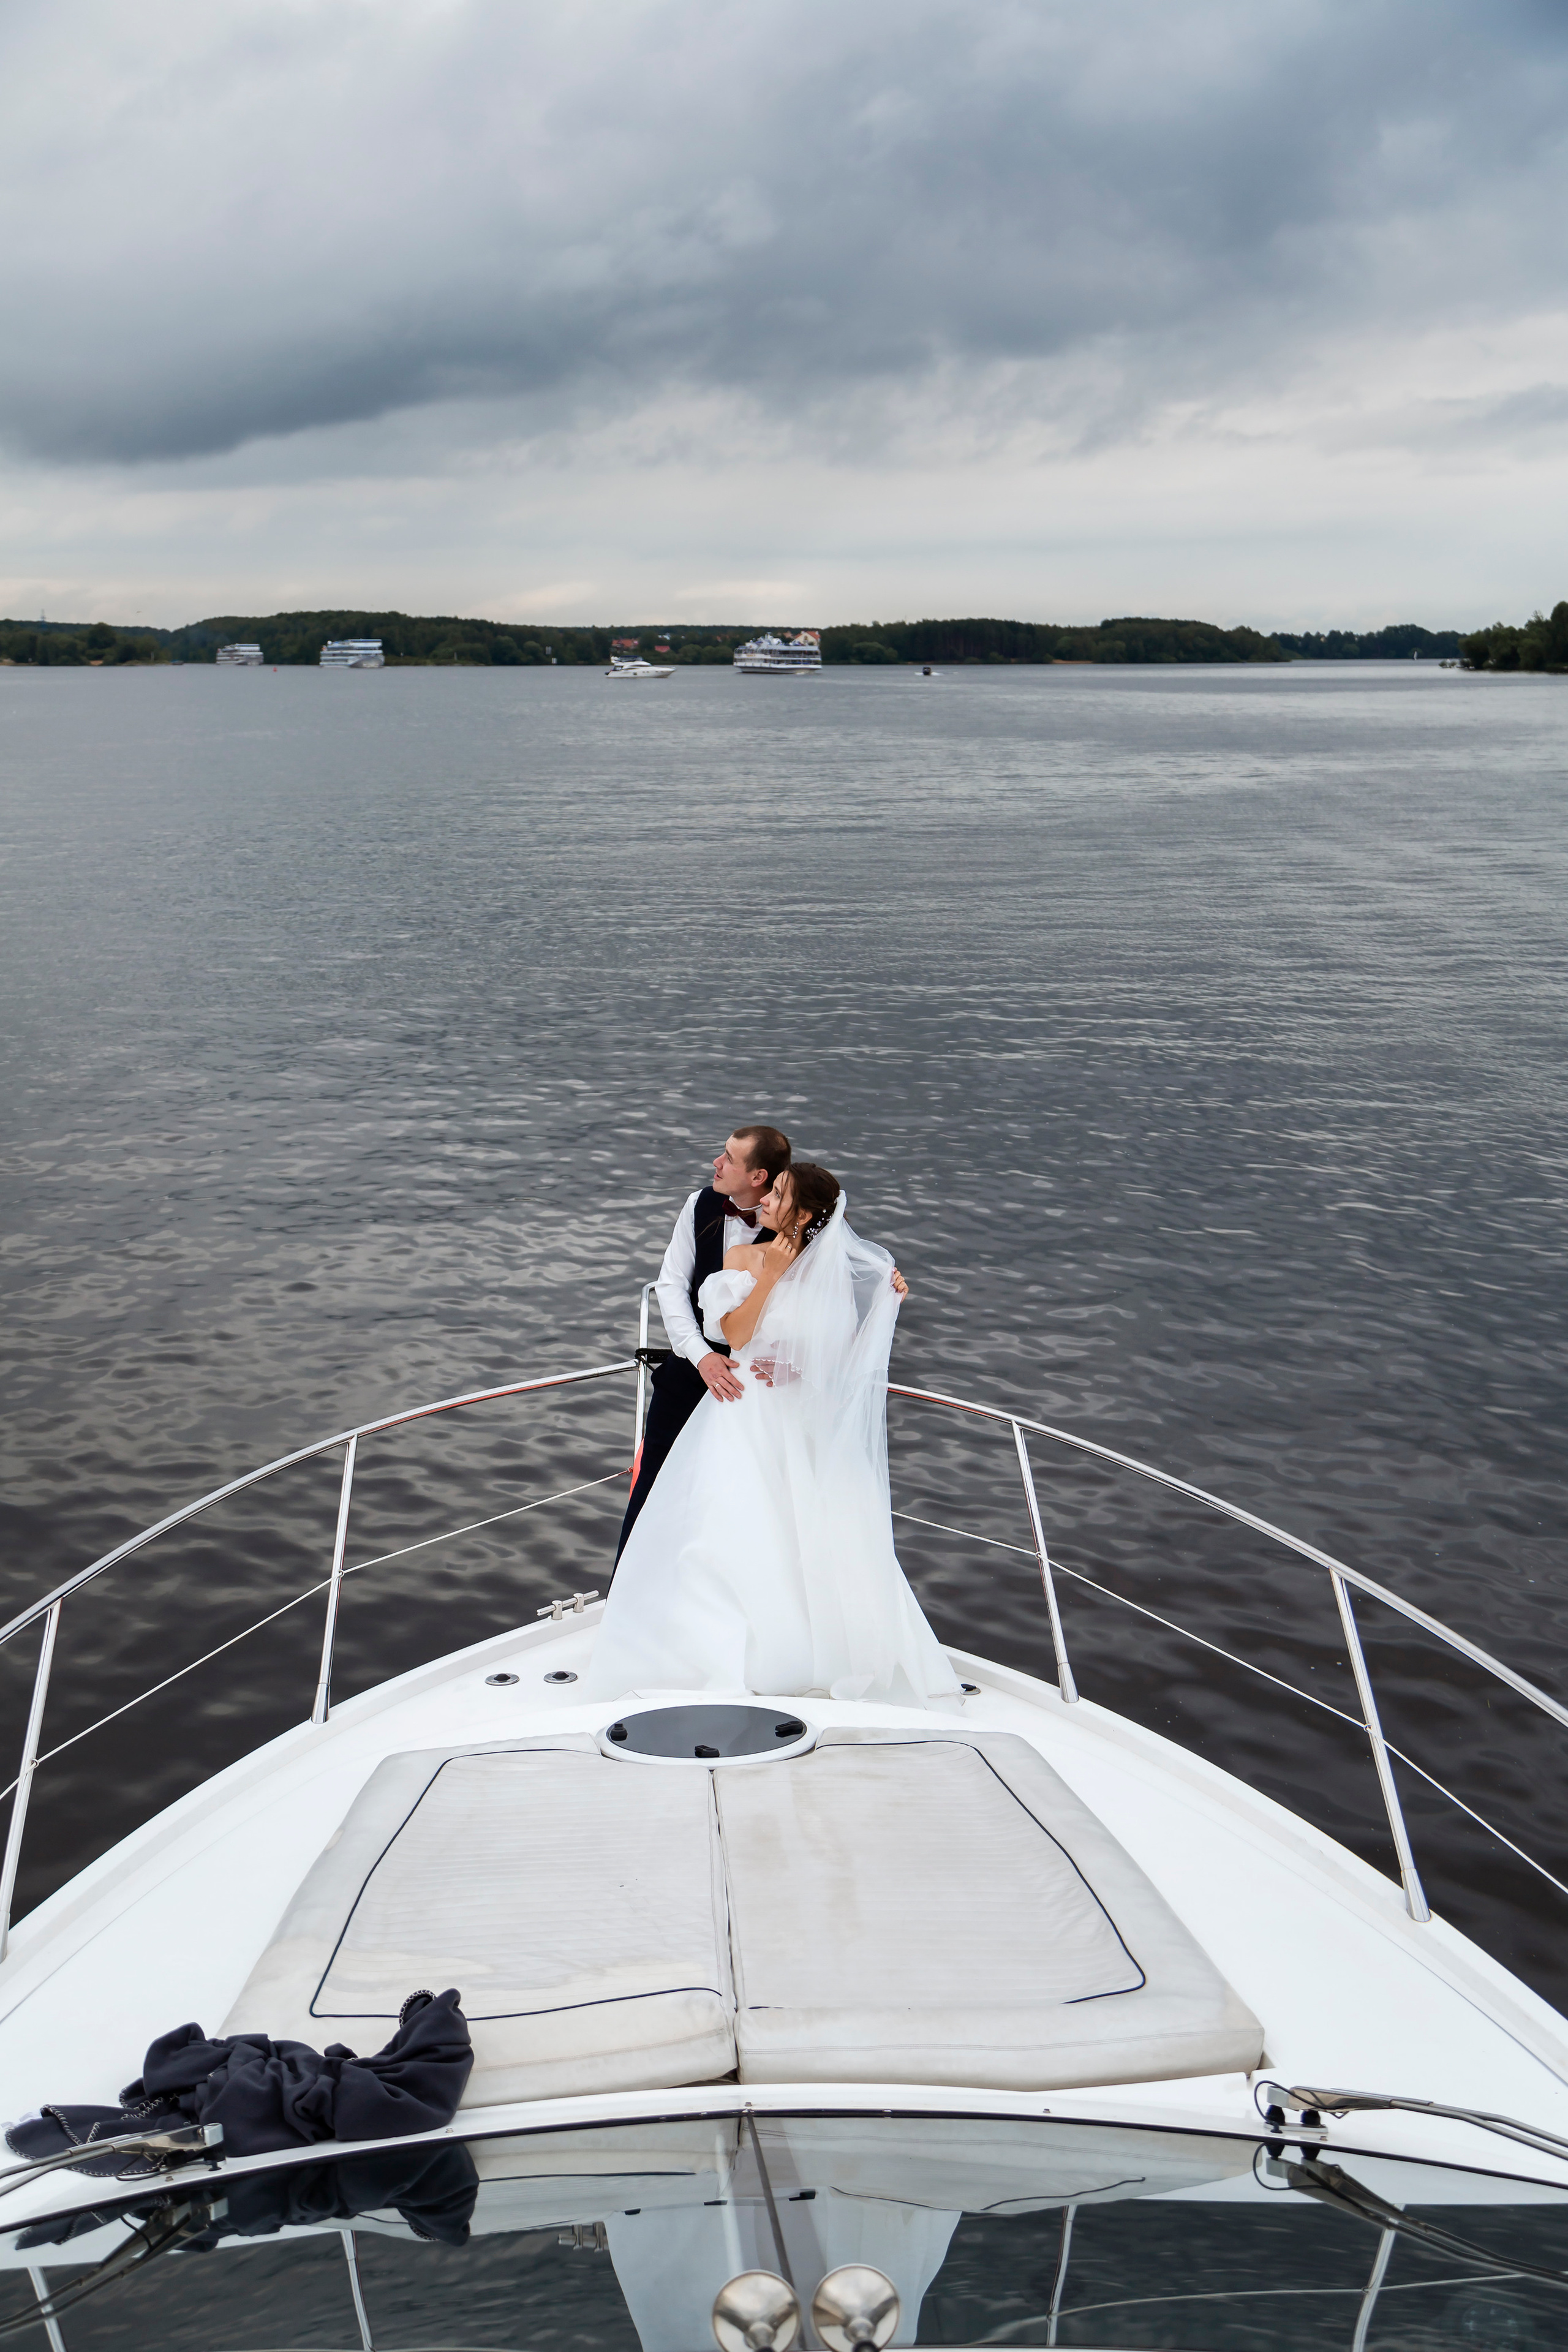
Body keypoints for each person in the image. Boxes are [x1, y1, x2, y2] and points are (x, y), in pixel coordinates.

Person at [587, 1160, 959, 1706]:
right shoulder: (744, 1259)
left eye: (778, 1194)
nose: (764, 1200)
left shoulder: (831, 1272)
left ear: (804, 1213)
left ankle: (811, 1650)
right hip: (741, 1413)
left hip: (799, 1422)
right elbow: (733, 1334)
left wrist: (886, 1299)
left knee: (809, 1532)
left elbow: (840, 1355)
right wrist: (769, 1276)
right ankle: (718, 1650)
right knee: (722, 1531)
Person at [615, 1125, 793, 1561]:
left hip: (753, 1389)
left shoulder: (799, 1229)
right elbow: (671, 1286)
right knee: (653, 1487)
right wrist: (702, 1357)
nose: (717, 1163)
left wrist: (892, 1282)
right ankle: (627, 1589)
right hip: (691, 1373)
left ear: (758, 1177)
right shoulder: (700, 1204)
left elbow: (839, 1288)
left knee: (735, 1498)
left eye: (729, 1158)